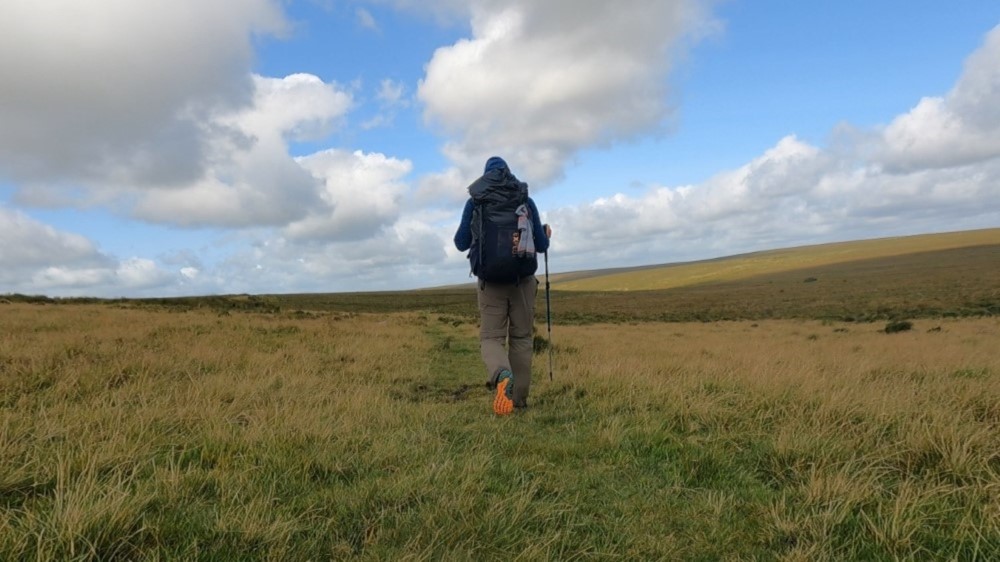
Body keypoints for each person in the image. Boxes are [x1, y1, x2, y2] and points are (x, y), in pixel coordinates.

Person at [454, 156, 551, 415]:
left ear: (485, 176)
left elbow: (460, 242)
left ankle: (501, 374)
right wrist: (544, 232)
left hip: (490, 282)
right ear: (508, 173)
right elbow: (541, 245)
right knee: (521, 338)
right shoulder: (524, 200)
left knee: (491, 338)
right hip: (522, 281)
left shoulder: (475, 201)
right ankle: (518, 401)